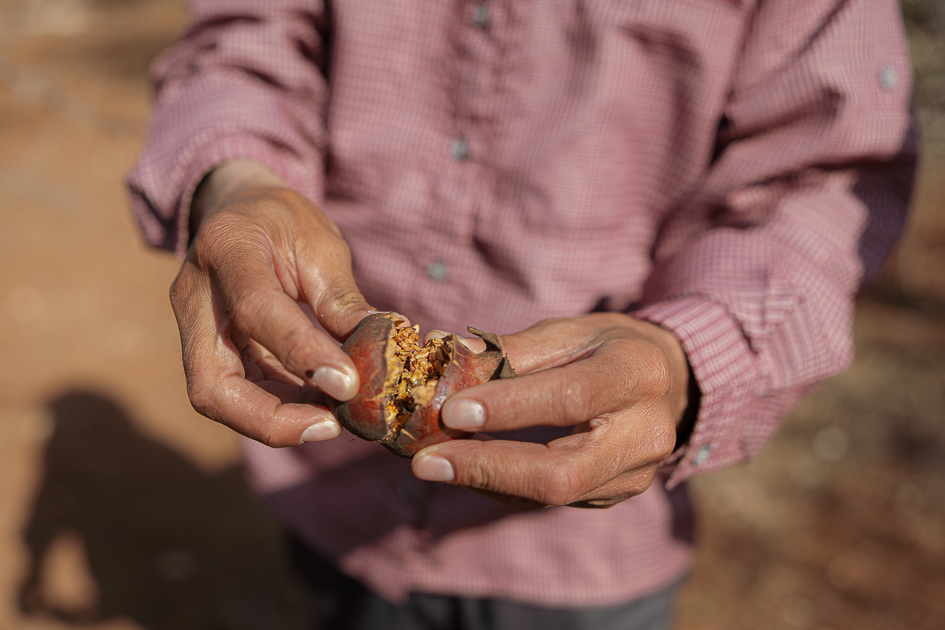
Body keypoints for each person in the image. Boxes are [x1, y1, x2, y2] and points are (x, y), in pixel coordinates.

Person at [128, 0, 916, 628]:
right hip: (332, 503)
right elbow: (247, 38)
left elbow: (826, 180)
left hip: (583, 556)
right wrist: (238, 182)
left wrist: (686, 359)